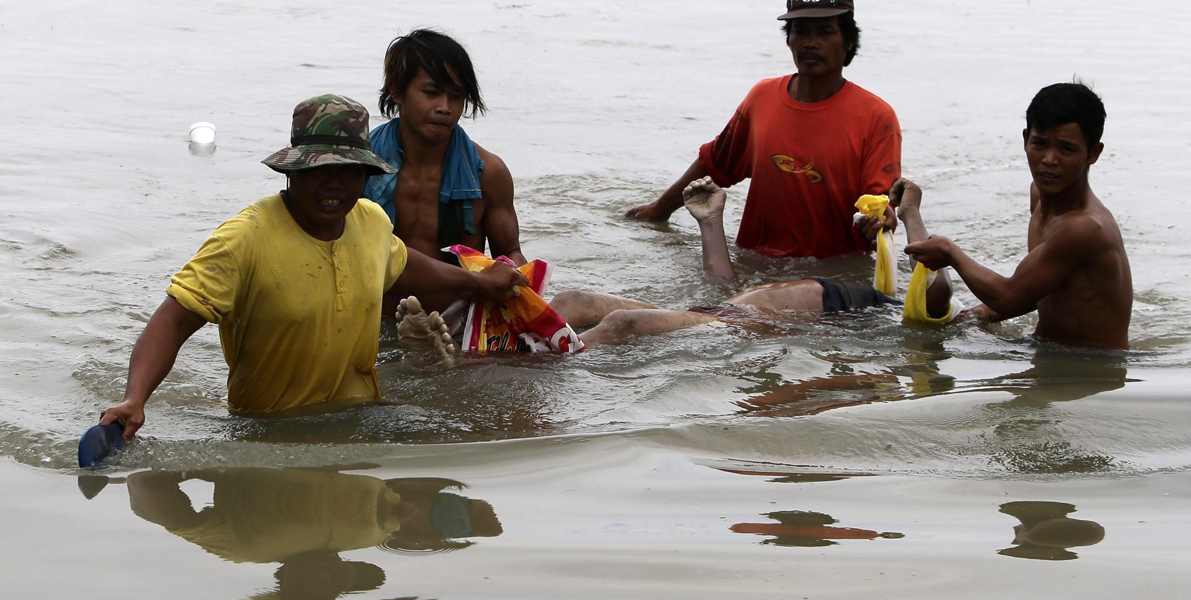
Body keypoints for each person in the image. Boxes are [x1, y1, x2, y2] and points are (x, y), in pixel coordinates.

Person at [99, 94, 526, 439]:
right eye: (320, 171)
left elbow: (402, 264)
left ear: (367, 177)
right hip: (269, 428)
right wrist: (135, 398)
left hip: (364, 415)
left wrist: (477, 283)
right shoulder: (244, 240)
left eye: (349, 172)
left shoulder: (371, 221)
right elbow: (171, 321)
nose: (334, 186)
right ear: (292, 172)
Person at [395, 176, 956, 350]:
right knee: (574, 301)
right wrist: (711, 223)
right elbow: (723, 282)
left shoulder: (891, 310)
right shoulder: (884, 294)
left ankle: (504, 365)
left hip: (742, 322)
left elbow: (936, 296)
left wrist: (914, 223)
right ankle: (478, 343)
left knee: (622, 325)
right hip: (721, 307)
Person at [627, 0, 901, 259]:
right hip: (754, 262)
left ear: (848, 42)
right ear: (788, 39)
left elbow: (880, 205)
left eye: (825, 32)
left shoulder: (876, 117)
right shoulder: (762, 98)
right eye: (800, 31)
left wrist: (880, 223)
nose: (810, 42)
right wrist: (659, 210)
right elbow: (716, 163)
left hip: (830, 278)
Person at [905, 83, 1132, 350]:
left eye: (1066, 149)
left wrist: (949, 251)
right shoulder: (1039, 196)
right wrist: (980, 314)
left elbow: (1008, 296)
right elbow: (1038, 288)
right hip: (1047, 350)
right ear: (1025, 139)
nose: (1049, 159)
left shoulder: (1085, 227)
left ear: (1093, 153)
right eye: (1039, 143)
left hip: (1092, 369)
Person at [364, 29, 525, 316]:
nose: (444, 108)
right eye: (431, 93)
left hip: (457, 324)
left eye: (456, 97)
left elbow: (510, 253)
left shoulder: (489, 173)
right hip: (375, 321)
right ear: (396, 90)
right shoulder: (360, 166)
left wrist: (514, 276)